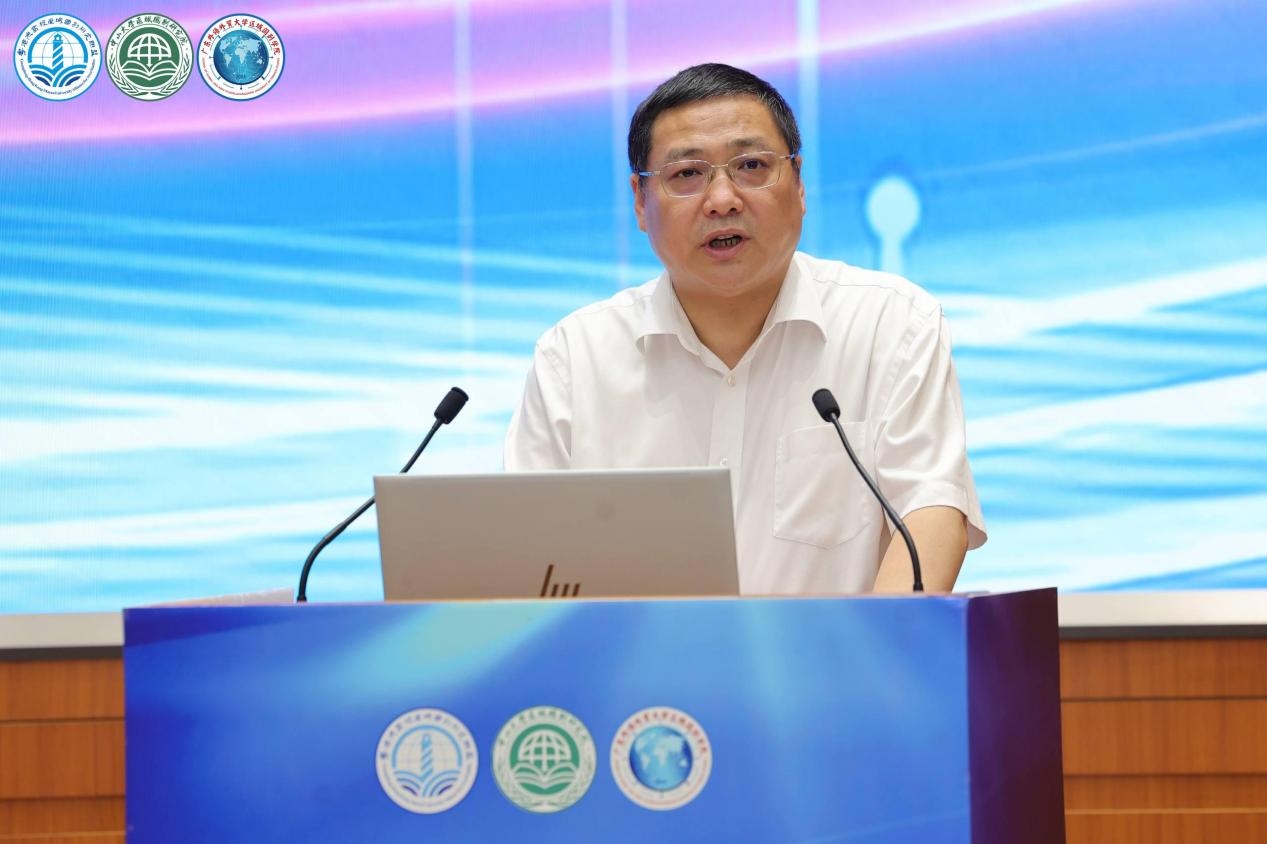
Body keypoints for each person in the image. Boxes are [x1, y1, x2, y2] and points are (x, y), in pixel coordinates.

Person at [505, 63, 985, 594]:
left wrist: (870, 649)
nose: (722, 199)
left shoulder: (891, 325)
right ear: (640, 201)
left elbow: (931, 514)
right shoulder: (573, 360)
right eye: (687, 174)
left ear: (799, 184)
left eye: (752, 165)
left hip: (839, 650)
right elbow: (526, 560)